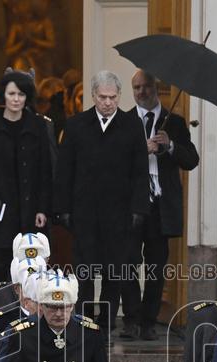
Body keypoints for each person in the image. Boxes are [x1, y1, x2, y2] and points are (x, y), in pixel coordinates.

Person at [54, 70, 149, 333]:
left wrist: (138, 208)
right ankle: (83, 322)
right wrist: (62, 209)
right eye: (102, 97)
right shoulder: (75, 125)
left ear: (119, 96)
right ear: (93, 96)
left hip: (119, 214)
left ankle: (106, 323)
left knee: (113, 272)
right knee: (84, 271)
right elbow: (64, 171)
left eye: (113, 97)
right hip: (84, 212)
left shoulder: (131, 126)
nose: (108, 102)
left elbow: (140, 171)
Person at [120, 70, 199, 340]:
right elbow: (111, 163)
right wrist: (138, 151)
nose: (142, 92)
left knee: (156, 266)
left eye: (146, 86)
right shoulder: (124, 121)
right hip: (132, 206)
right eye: (137, 87)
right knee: (128, 263)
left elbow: (191, 160)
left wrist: (170, 145)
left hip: (160, 207)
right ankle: (130, 319)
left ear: (157, 88)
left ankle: (148, 321)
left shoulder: (174, 122)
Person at [0, 69, 55, 286]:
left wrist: (43, 208)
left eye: (21, 94)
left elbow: (45, 171)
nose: (16, 99)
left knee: (29, 268)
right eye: (11, 94)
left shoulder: (38, 125)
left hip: (29, 208)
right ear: (3, 96)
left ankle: (25, 316)